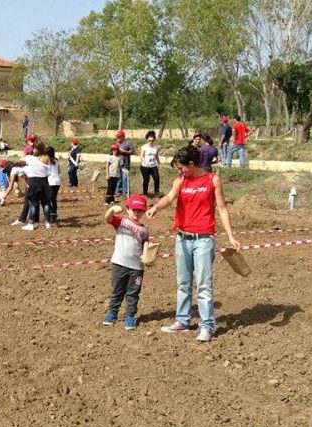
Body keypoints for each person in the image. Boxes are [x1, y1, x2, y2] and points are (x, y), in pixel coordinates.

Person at [146, 146, 241, 342]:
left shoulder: (212, 179)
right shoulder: (181, 180)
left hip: (204, 239)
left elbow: (222, 208)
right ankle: (183, 321)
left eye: (182, 168)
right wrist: (156, 207)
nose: (179, 171)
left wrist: (231, 235)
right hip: (182, 238)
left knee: (204, 284)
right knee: (183, 282)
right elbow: (170, 197)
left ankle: (207, 325)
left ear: (191, 164)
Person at [101, 194, 151, 330]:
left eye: (140, 210)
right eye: (134, 209)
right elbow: (108, 219)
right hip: (119, 263)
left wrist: (146, 256)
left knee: (133, 293)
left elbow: (146, 243)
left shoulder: (144, 230)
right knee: (117, 290)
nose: (136, 213)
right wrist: (111, 210)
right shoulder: (121, 221)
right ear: (128, 209)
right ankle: (112, 313)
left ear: (144, 211)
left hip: (136, 267)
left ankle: (130, 316)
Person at [21, 142, 52, 231]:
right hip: (44, 182)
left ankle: (31, 224)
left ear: (36, 149)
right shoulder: (47, 157)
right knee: (45, 203)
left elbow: (21, 158)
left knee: (33, 204)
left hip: (33, 182)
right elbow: (49, 171)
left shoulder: (30, 158)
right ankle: (48, 222)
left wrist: (27, 151)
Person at [139, 131, 161, 197]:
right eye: (149, 140)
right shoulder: (144, 147)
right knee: (146, 179)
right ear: (147, 140)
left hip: (153, 165)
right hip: (145, 166)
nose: (151, 142)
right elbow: (141, 155)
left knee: (157, 178)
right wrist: (145, 161)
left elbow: (156, 156)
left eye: (152, 140)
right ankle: (145, 193)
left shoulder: (155, 147)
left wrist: (159, 163)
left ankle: (156, 191)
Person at [115, 130, 134, 196]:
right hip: (118, 163)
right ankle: (119, 191)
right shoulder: (117, 144)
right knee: (119, 177)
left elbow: (132, 152)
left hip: (125, 163)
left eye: (119, 137)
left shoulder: (128, 143)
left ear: (123, 136)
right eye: (117, 137)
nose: (118, 138)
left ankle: (126, 192)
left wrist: (124, 151)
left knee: (125, 178)